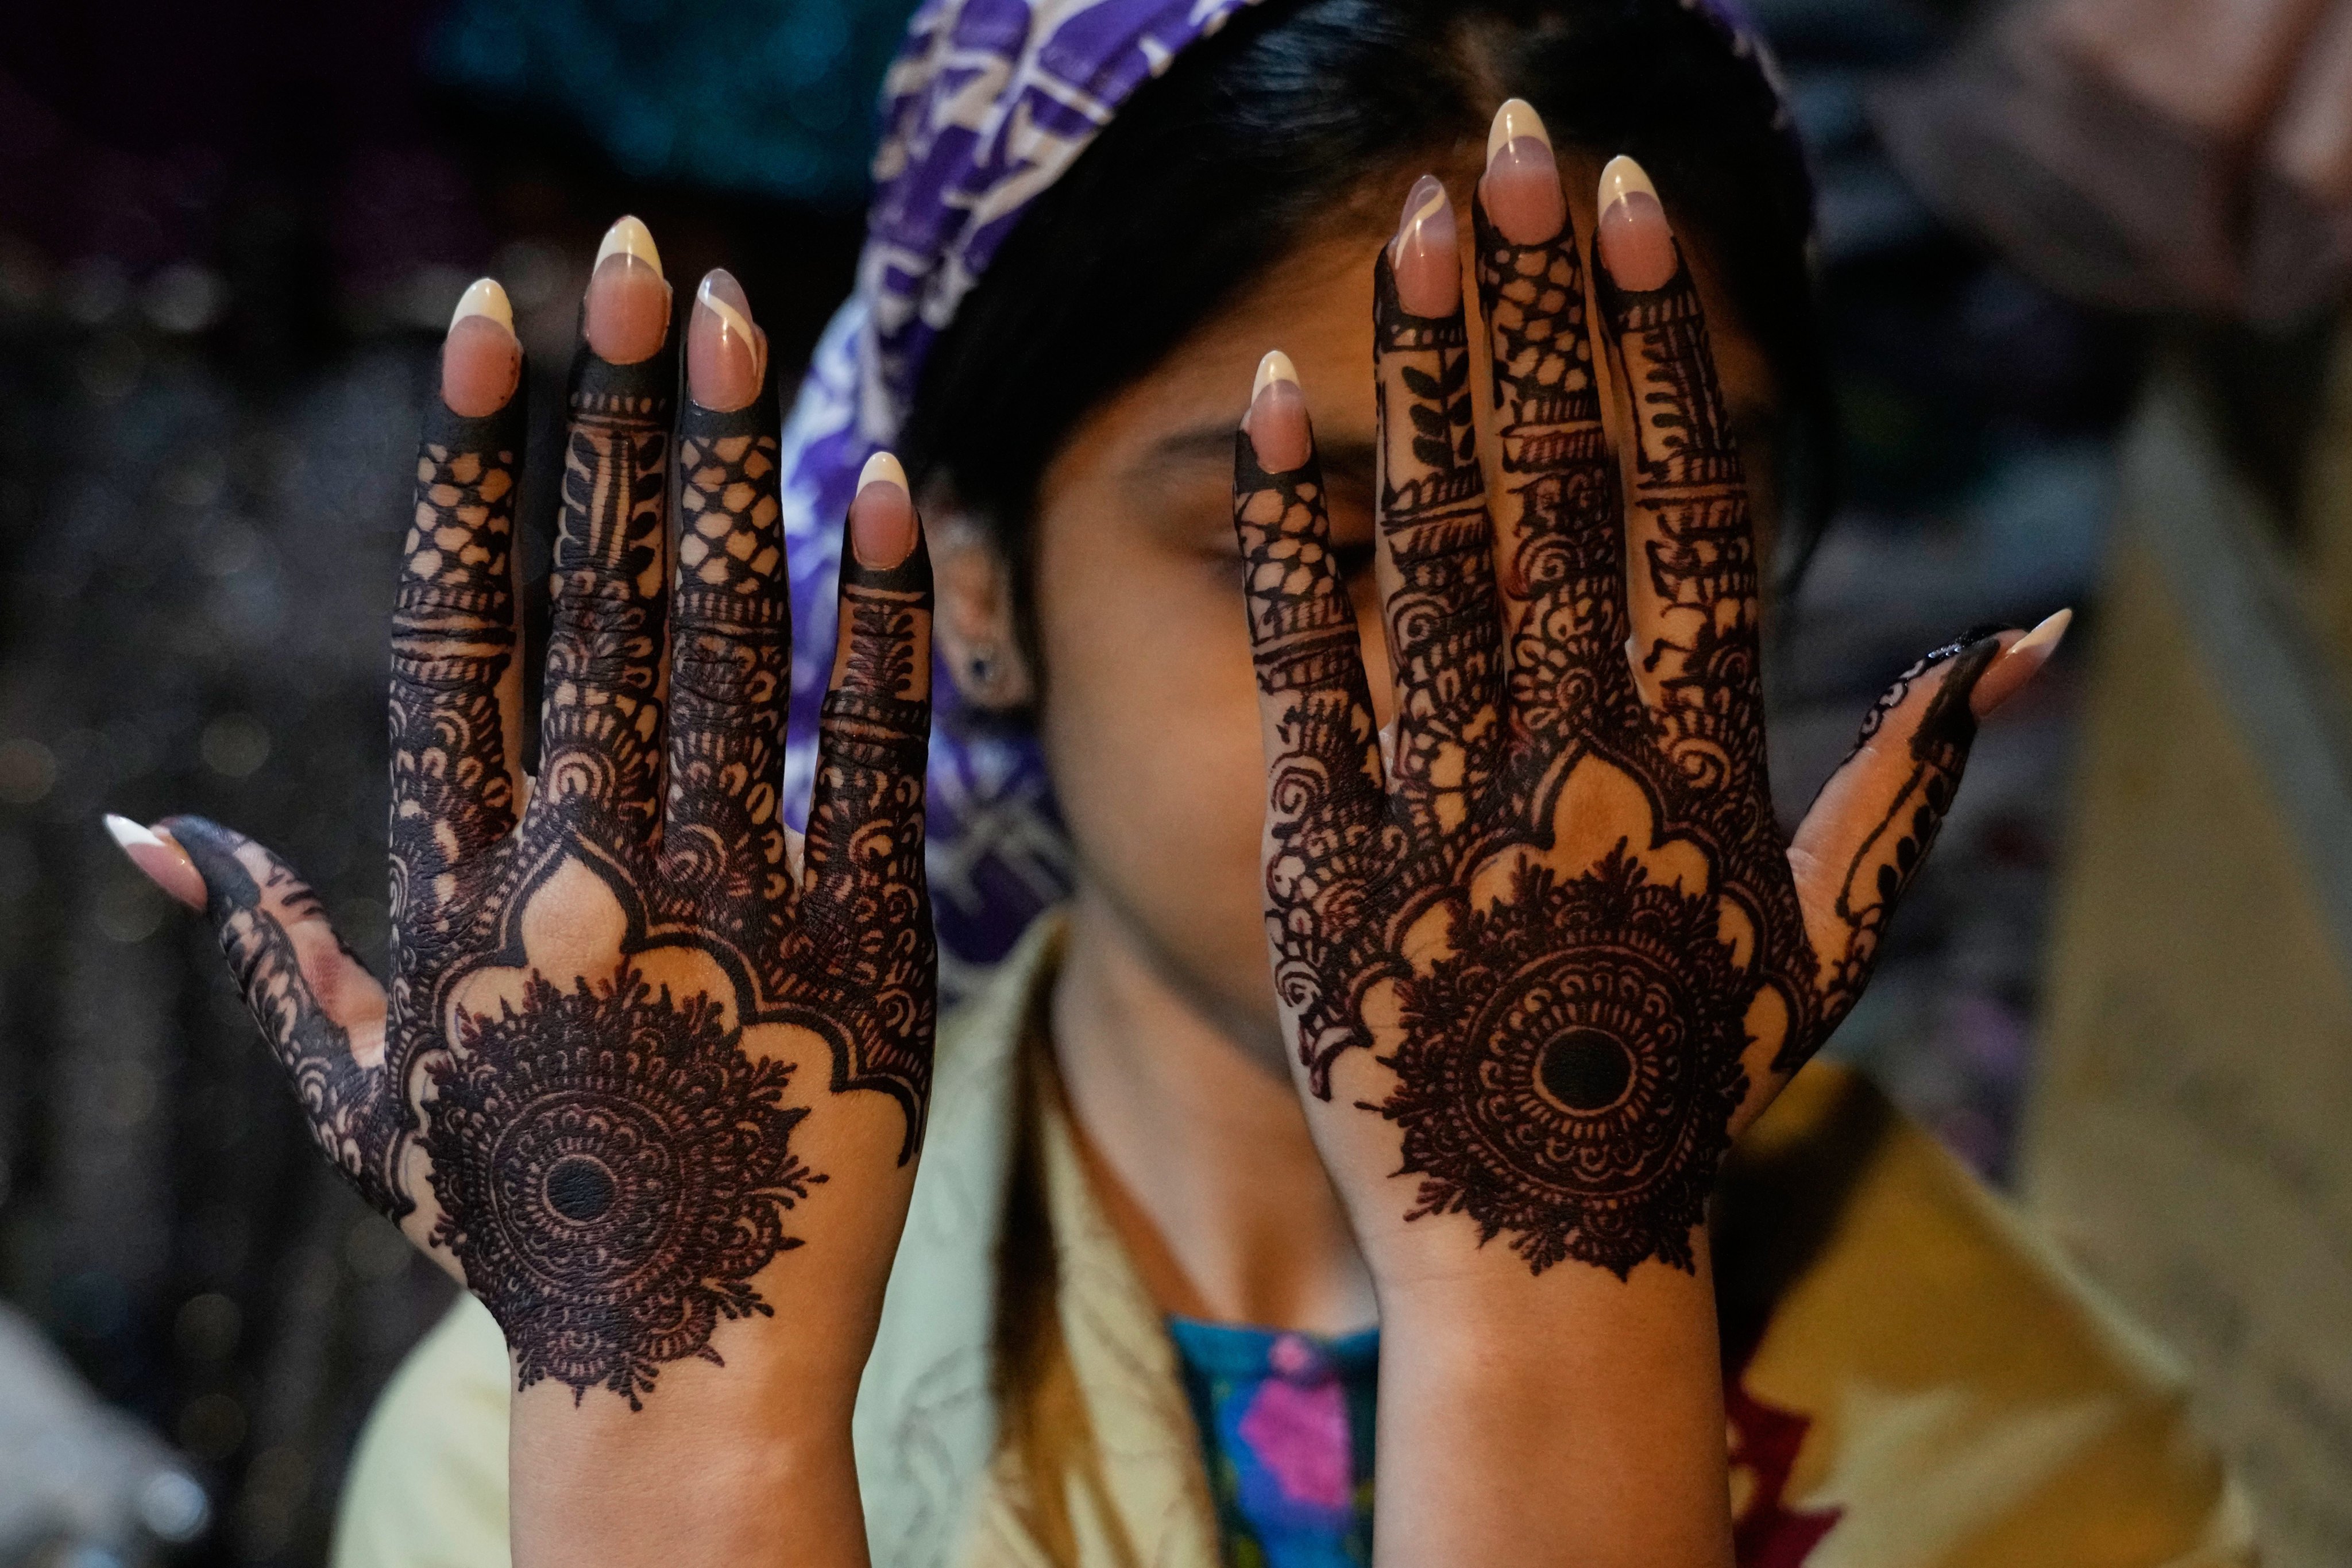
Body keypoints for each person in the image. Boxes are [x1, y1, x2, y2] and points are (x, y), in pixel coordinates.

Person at [104, 0, 2254, 1563]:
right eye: (1288, 545)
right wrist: (693, 1477)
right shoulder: (544, 1446)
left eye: (1612, 555)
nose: (1454, 716)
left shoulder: (2047, 1462)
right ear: (971, 580)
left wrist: (1556, 1298)